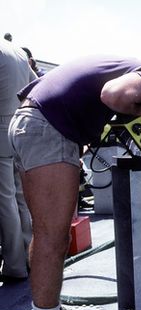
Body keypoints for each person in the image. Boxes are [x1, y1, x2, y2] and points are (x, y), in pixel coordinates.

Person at [8, 54, 141, 310]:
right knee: (52, 236)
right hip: (47, 130)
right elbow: (113, 95)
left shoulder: (119, 64)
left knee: (46, 231)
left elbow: (39, 90)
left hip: (30, 122)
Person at [0, 39, 36, 281]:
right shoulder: (18, 52)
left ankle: (14, 266)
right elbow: (36, 83)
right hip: (19, 129)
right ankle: (29, 258)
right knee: (22, 198)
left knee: (4, 200)